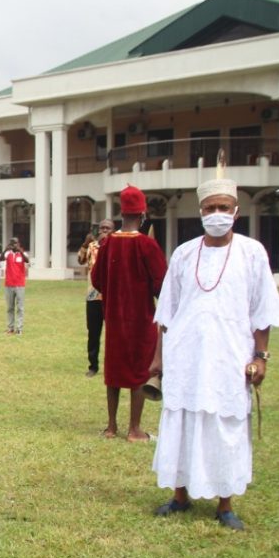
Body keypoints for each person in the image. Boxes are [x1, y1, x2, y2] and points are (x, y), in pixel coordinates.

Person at [150, 175, 279, 531]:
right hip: (186, 356)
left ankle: (225, 504)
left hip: (229, 356)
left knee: (226, 425)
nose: (217, 214)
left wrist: (261, 356)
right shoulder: (183, 253)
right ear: (200, 212)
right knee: (182, 420)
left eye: (223, 208)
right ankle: (180, 496)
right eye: (210, 208)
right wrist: (159, 359)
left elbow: (263, 311)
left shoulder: (252, 252)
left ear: (235, 211)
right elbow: (166, 313)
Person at [91, 186, 167, 441]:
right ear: (142, 213)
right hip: (141, 319)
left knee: (113, 370)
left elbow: (96, 279)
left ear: (121, 213)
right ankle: (134, 429)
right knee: (139, 370)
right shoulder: (147, 245)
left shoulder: (108, 243)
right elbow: (162, 284)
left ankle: (111, 427)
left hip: (113, 318)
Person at [78, 220, 114, 377]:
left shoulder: (117, 246)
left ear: (114, 230)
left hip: (112, 297)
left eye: (108, 228)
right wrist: (85, 244)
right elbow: (80, 260)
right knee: (93, 333)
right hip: (93, 296)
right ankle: (93, 366)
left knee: (113, 334)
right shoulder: (92, 246)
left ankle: (112, 366)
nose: (104, 230)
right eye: (102, 228)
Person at [3, 238, 28, 334]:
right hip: (9, 284)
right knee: (10, 307)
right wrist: (5, 249)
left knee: (20, 307)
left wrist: (20, 251)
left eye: (16, 243)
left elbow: (27, 260)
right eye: (12, 243)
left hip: (19, 284)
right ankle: (10, 328)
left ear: (19, 244)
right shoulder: (7, 254)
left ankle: (19, 328)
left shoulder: (22, 254)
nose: (14, 245)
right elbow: (0, 259)